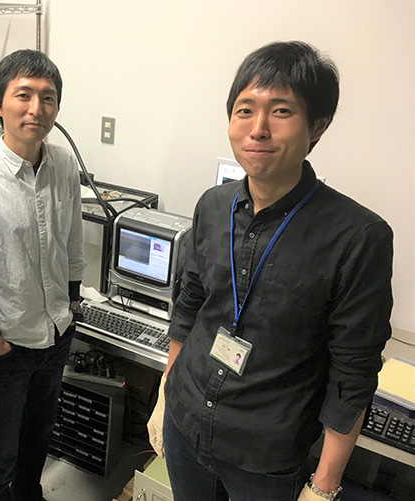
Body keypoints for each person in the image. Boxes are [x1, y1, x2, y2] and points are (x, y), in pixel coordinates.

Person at [147, 41, 393, 501]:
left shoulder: (358, 237)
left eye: (280, 111)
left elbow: (353, 372)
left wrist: (324, 485)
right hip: (185, 421)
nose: (257, 129)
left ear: (317, 125)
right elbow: (190, 306)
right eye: (244, 110)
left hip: (265, 455)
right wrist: (166, 391)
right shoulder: (213, 205)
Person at [0, 49, 85, 501]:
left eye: (48, 98)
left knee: (38, 438)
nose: (36, 108)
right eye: (23, 95)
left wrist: (74, 304)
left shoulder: (63, 164)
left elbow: (72, 240)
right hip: (7, 344)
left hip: (56, 332)